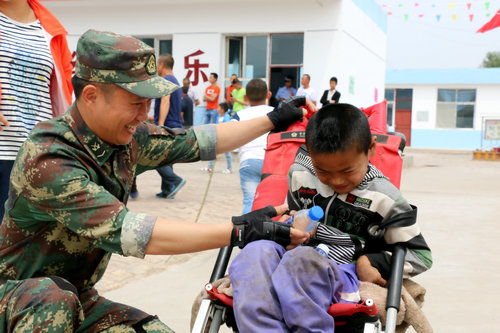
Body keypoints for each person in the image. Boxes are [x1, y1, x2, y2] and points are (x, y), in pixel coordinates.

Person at [0, 29, 314, 332]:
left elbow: (199, 141)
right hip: (21, 301)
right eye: (136, 102)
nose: (145, 114)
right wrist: (239, 231)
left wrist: (274, 119)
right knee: (51, 301)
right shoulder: (49, 158)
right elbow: (134, 232)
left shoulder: (125, 137)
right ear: (92, 96)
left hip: (78, 299)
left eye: (149, 103)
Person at [229, 103, 433, 332]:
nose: (336, 181)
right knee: (254, 253)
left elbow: (421, 256)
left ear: (371, 148)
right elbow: (294, 215)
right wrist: (291, 227)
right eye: (323, 171)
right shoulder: (300, 173)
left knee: (303, 261)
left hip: (340, 267)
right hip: (293, 254)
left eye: (347, 171)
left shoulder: (385, 198)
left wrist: (374, 261)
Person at [0, 0, 73, 221]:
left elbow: (64, 91)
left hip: (38, 155)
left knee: (29, 244)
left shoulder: (51, 29)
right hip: (2, 151)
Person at [234, 78, 274, 214]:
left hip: (248, 161)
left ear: (245, 97)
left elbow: (231, 134)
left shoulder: (239, 115)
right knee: (272, 203)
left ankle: (245, 234)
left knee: (250, 201)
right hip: (271, 163)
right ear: (268, 94)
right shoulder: (277, 113)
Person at [153, 54, 186, 199]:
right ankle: (167, 190)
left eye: (157, 65)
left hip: (167, 124)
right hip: (176, 124)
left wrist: (160, 123)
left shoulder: (166, 80)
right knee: (167, 158)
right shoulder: (176, 81)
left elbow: (165, 101)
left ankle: (175, 180)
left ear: (161, 65)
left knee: (155, 156)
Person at [204, 102, 233, 174]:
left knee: (227, 153)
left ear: (222, 110)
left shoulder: (227, 117)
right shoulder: (218, 117)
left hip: (225, 138)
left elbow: (227, 127)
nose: (217, 109)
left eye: (218, 108)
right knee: (214, 152)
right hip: (218, 137)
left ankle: (229, 168)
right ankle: (209, 167)